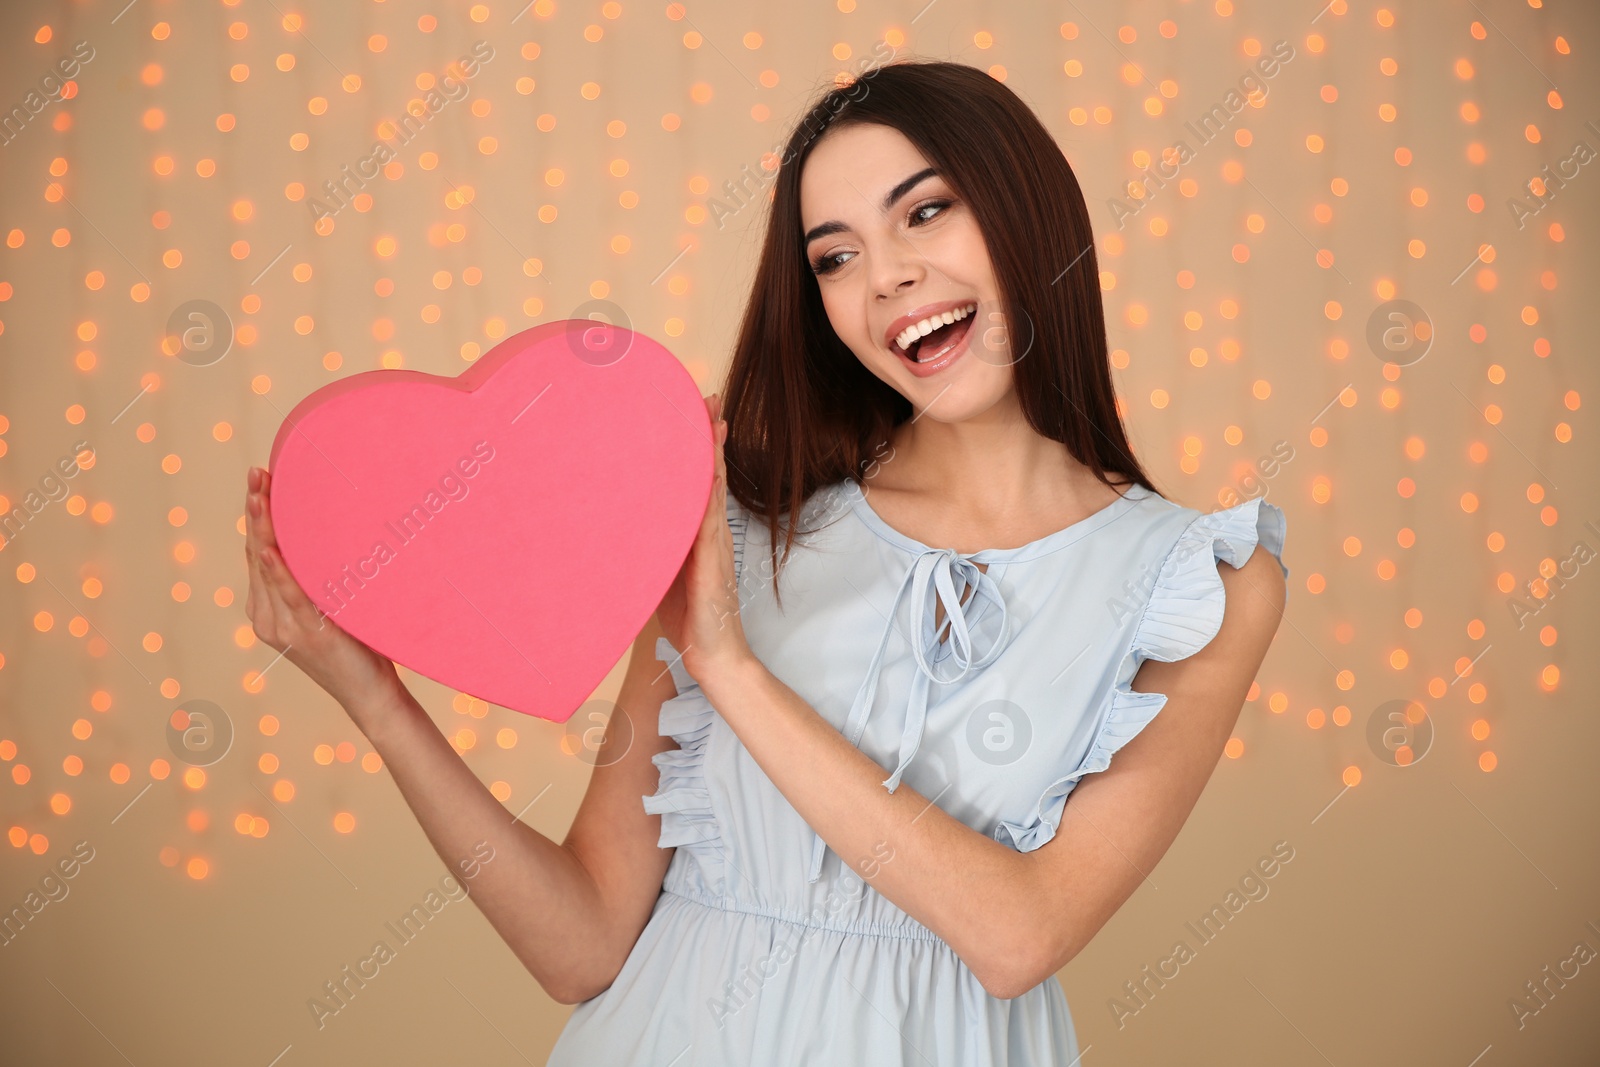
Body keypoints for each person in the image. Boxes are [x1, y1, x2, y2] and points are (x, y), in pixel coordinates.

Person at [244, 59, 1289, 1066]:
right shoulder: (742, 526)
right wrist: (376, 701)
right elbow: (582, 946)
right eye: (834, 256)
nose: (887, 276)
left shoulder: (1198, 584)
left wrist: (731, 667)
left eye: (924, 211)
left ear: (1027, 209)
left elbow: (1019, 936)